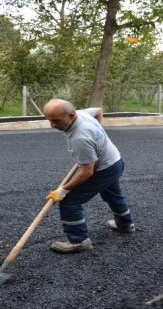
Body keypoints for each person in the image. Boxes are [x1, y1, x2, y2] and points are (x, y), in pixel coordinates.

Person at [43, 99, 135, 254]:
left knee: (69, 201)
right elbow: (98, 110)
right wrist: (97, 134)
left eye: (56, 120)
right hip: (115, 161)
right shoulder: (82, 114)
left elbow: (87, 172)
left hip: (104, 169)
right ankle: (125, 225)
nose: (52, 125)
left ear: (71, 116)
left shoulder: (80, 137)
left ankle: (79, 241)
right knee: (113, 194)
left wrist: (63, 190)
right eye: (49, 120)